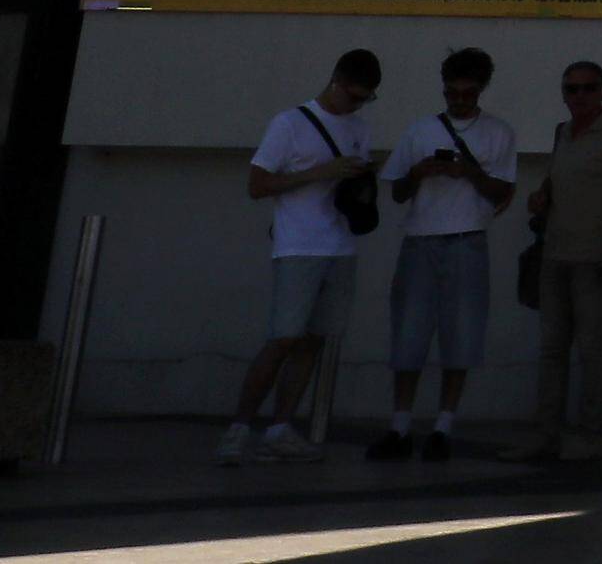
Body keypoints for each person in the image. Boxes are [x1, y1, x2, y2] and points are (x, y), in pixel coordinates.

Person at [221, 47, 380, 464]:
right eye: (354, 96)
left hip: (340, 245)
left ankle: (280, 427)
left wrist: (362, 179)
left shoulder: (360, 127)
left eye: (366, 99)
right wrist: (319, 172)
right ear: (336, 82)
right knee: (282, 339)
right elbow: (257, 185)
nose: (358, 105)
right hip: (298, 245)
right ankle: (239, 428)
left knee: (313, 341)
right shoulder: (290, 124)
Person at [371, 46, 516, 459]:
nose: (459, 100)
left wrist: (467, 172)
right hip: (420, 238)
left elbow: (502, 191)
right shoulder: (419, 131)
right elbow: (398, 192)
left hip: (467, 238)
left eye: (467, 93)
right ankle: (400, 424)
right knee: (409, 334)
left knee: (461, 335)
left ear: (481, 90)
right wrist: (418, 173)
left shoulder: (498, 133)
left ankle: (443, 426)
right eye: (452, 93)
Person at [508, 57, 602, 461]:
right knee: (551, 349)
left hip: (594, 256)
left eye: (587, 88)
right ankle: (546, 434)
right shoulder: (562, 133)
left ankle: (589, 434)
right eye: (571, 88)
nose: (579, 96)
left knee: (591, 348)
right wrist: (541, 197)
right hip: (555, 254)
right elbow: (555, 179)